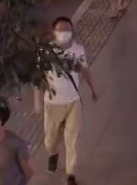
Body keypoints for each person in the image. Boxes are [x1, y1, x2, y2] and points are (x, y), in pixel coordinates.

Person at [38, 17, 96, 185]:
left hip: (73, 102)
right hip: (52, 104)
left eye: (67, 30)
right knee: (50, 140)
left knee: (73, 138)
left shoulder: (78, 50)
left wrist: (93, 89)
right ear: (53, 32)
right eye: (60, 30)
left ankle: (71, 174)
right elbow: (39, 79)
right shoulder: (46, 52)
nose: (64, 33)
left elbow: (85, 70)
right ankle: (53, 154)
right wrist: (37, 103)